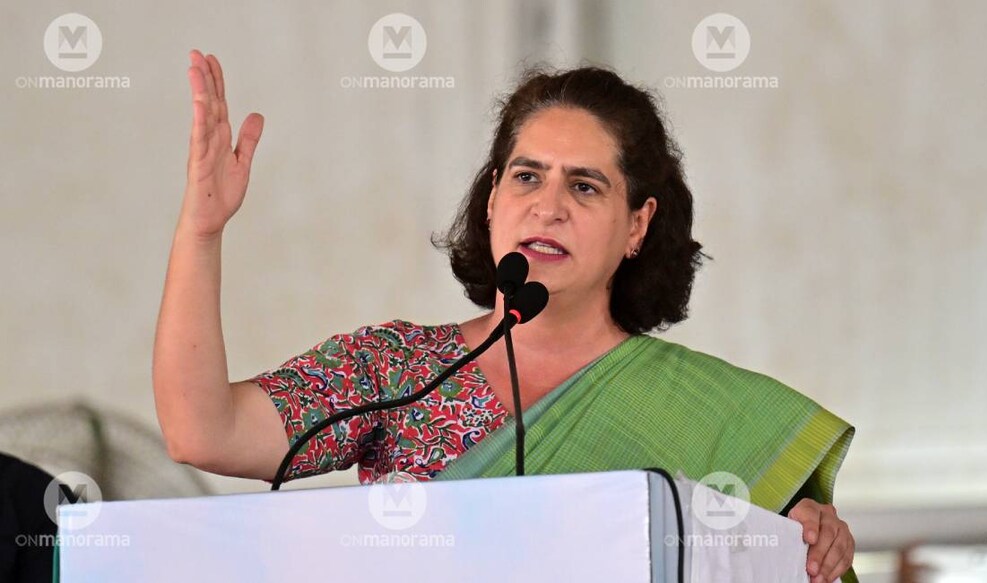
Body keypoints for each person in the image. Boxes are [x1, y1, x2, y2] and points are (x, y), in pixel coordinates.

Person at [153, 50, 858, 583]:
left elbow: (767, 554)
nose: (547, 205)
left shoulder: (714, 413)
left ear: (637, 223)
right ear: (492, 198)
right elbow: (201, 430)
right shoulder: (399, 369)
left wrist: (794, 541)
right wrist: (202, 229)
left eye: (584, 185)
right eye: (527, 176)